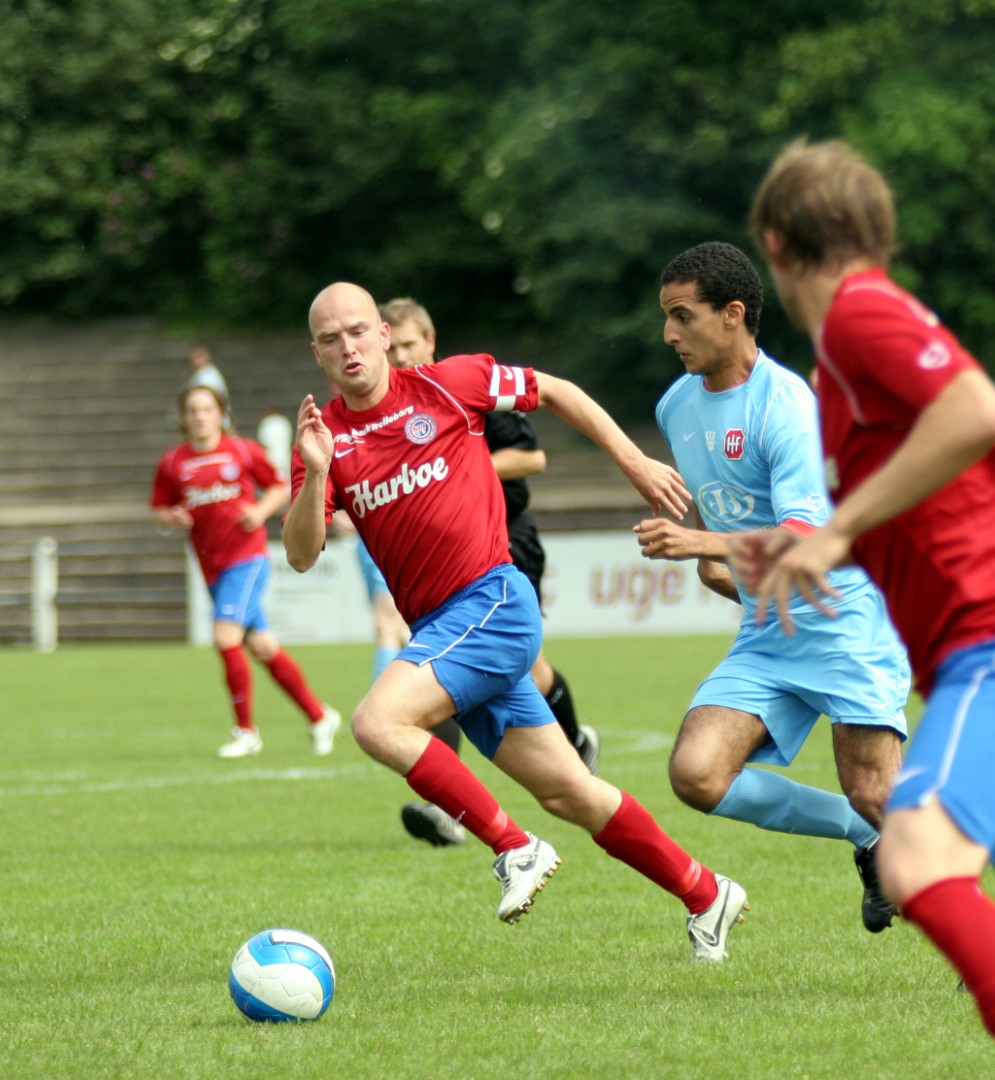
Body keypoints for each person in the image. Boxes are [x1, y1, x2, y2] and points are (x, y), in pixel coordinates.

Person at [742, 138, 995, 1078]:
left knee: (910, 861)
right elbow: (922, 501)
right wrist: (812, 542)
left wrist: (836, 526)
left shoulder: (859, 313)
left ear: (774, 243)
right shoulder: (840, 367)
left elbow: (978, 411)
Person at [285, 281, 748, 961]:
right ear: (317, 354)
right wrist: (316, 472)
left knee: (377, 723)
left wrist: (633, 461)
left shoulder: (450, 385)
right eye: (331, 339)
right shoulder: (324, 438)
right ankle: (707, 894)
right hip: (443, 632)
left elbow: (556, 391)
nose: (348, 347)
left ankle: (513, 847)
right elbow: (301, 554)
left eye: (358, 331)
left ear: (383, 335)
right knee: (572, 793)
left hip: (492, 602)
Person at [634, 241, 909, 933]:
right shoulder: (675, 407)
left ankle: (982, 931)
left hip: (843, 617)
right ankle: (866, 838)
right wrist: (715, 560)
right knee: (697, 774)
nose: (668, 333)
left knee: (877, 792)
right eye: (666, 316)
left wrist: (698, 544)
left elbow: (801, 534)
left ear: (732, 314)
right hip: (769, 629)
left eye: (682, 315)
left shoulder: (786, 405)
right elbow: (715, 519)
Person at [378, 297, 601, 848]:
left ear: (431, 341)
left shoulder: (461, 390)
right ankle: (450, 804)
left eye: (409, 345)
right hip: (444, 559)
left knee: (522, 667)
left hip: (505, 539)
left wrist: (458, 465)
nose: (401, 356)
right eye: (393, 347)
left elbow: (531, 457)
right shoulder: (391, 411)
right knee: (442, 664)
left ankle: (574, 745)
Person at [152, 384, 341, 759]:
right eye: (193, 410)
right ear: (183, 417)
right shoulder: (173, 462)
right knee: (263, 647)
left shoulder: (241, 450)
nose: (200, 416)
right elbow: (159, 508)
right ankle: (320, 717)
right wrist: (171, 517)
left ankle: (246, 732)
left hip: (247, 559)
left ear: (221, 414)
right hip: (212, 567)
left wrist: (259, 512)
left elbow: (279, 488)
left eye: (207, 409)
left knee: (225, 636)